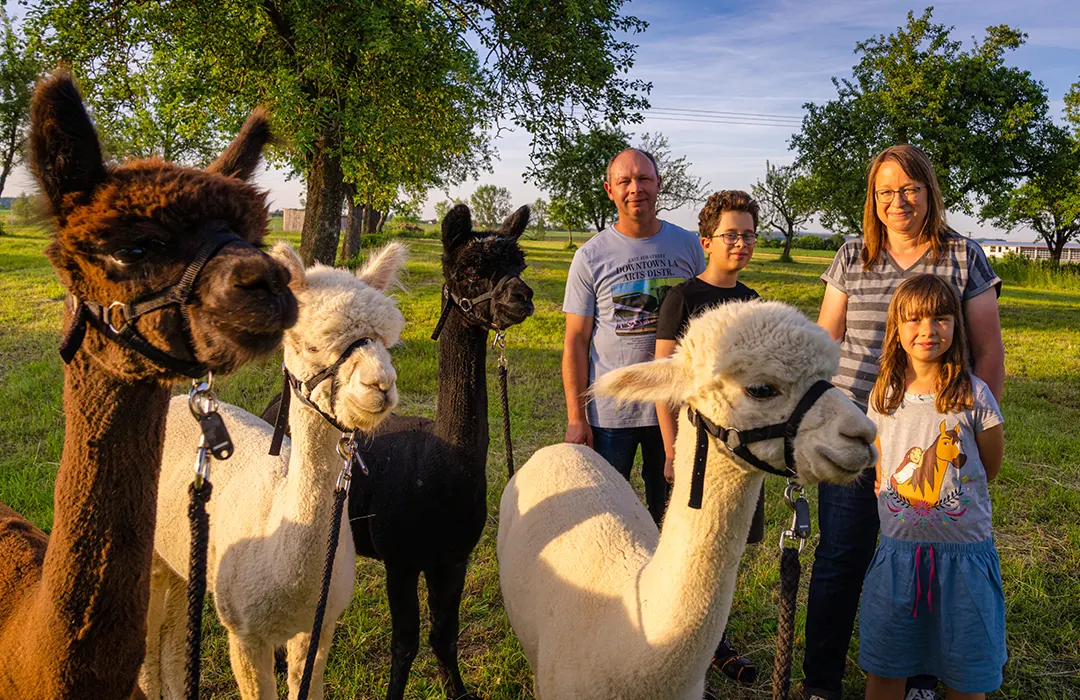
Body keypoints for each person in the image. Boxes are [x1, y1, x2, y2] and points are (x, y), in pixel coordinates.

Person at [804, 144, 1005, 700]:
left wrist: (970, 426)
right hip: (854, 435)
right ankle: (821, 683)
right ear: (873, 198)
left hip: (931, 435)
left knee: (924, 557)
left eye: (910, 188)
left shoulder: (962, 255)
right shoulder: (851, 255)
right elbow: (827, 341)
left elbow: (987, 352)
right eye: (886, 190)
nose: (899, 201)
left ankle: (917, 677)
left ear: (930, 193)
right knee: (841, 557)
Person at [859, 274, 1006, 700]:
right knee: (888, 663)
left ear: (956, 324)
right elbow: (881, 461)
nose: (928, 330)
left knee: (966, 670)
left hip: (964, 556)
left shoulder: (974, 396)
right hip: (898, 553)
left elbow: (988, 467)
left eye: (941, 318)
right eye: (915, 320)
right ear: (896, 329)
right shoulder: (883, 394)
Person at [562, 148, 706, 525]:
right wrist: (577, 418)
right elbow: (575, 340)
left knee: (673, 513)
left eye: (643, 179)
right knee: (606, 516)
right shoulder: (590, 256)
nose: (635, 188)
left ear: (659, 184)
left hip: (675, 409)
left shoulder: (688, 246)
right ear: (610, 190)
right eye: (624, 181)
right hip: (612, 413)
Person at [654, 190, 762, 686]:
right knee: (691, 546)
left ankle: (716, 642)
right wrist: (672, 448)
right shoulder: (683, 298)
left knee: (728, 546)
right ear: (706, 241)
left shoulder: (753, 303)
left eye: (747, 235)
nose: (739, 243)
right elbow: (664, 380)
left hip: (741, 453)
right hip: (696, 450)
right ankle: (677, 640)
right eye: (730, 235)